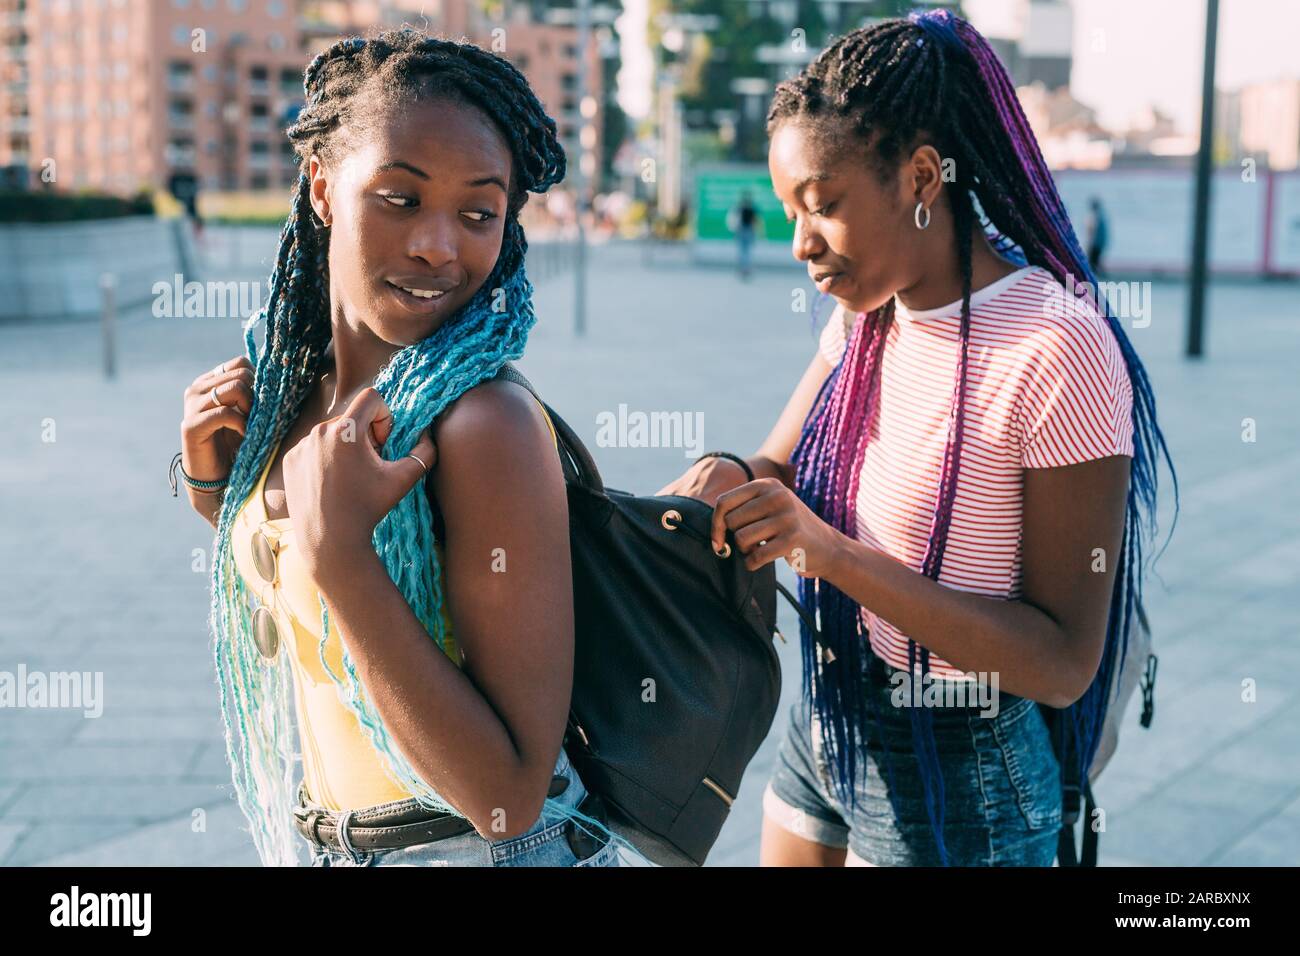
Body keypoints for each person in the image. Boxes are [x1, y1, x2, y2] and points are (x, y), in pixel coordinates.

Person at [658, 10, 1173, 866]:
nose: (798, 244)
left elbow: (1060, 660)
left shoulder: (1056, 347)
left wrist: (830, 555)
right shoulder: (870, 318)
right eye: (789, 210)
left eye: (824, 206)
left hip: (965, 774)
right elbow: (774, 465)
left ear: (923, 177)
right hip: (829, 719)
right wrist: (722, 476)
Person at [175, 30, 619, 867]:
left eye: (478, 212)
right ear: (322, 189)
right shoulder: (289, 392)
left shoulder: (486, 426)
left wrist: (339, 553)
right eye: (401, 198)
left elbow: (508, 798)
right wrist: (218, 490)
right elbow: (298, 581)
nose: (437, 246)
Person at [1085, 197, 1109, 275]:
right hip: (1100, 243)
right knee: (1095, 261)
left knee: (1093, 261)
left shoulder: (1094, 216)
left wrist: (1090, 242)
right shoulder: (1101, 216)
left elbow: (1091, 231)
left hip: (1095, 243)